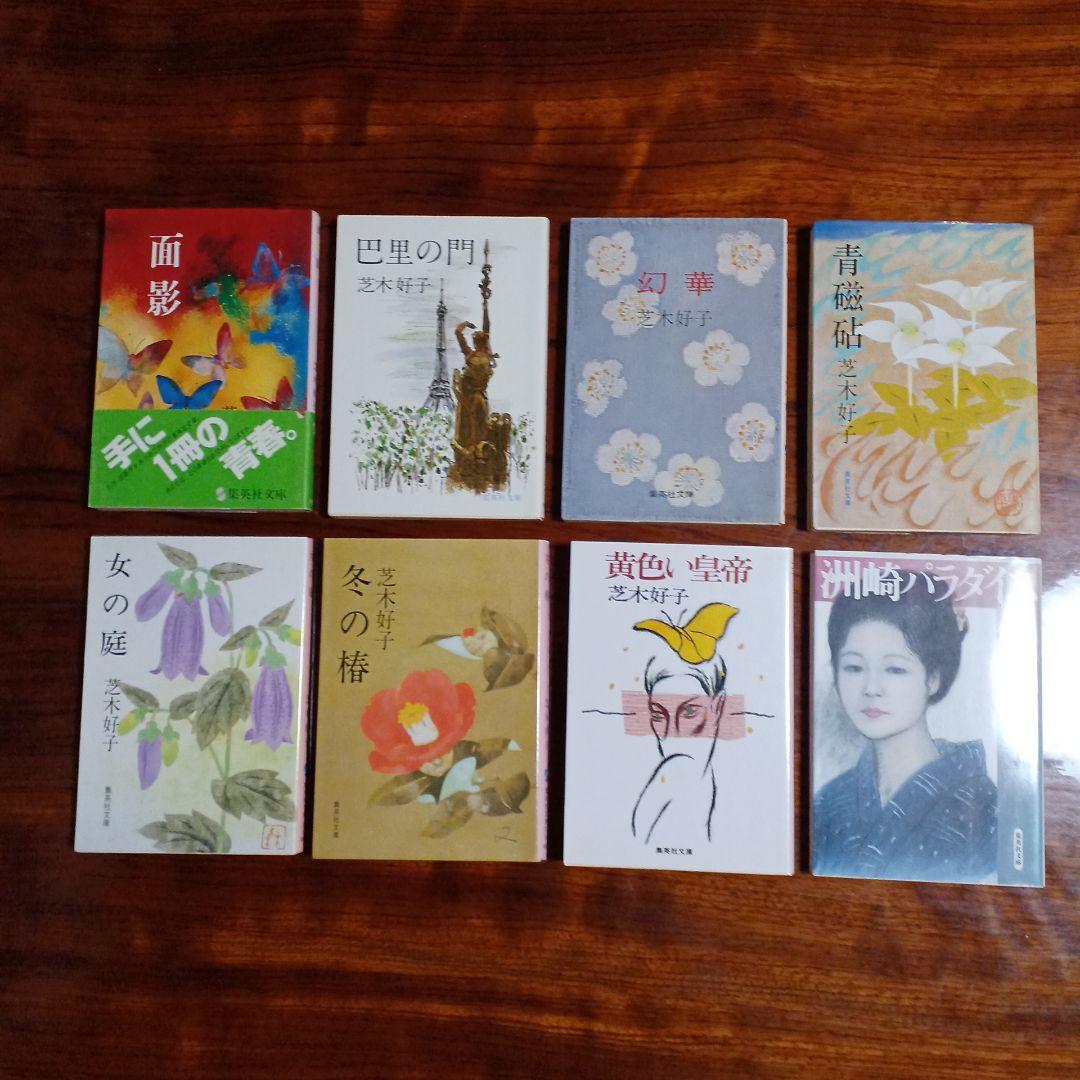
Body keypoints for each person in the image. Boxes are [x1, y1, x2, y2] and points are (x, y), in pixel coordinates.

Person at [813, 580, 997, 882]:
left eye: (895, 669)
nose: (871, 688)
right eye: (854, 667)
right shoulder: (828, 803)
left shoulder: (984, 807)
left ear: (933, 678)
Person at [631, 656, 727, 846]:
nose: (671, 734)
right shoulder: (664, 786)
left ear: (718, 707)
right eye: (658, 714)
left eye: (689, 712)